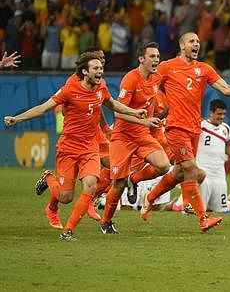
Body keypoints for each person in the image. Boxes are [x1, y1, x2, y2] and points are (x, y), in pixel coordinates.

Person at [3, 52, 146, 240]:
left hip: (89, 148)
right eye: (96, 68)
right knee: (65, 197)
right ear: (85, 72)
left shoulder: (101, 87)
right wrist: (17, 118)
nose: (100, 71)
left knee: (90, 185)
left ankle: (68, 230)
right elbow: (44, 107)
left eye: (101, 68)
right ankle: (48, 179)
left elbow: (112, 105)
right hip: (68, 149)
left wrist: (135, 112)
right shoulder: (70, 89)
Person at [152, 32, 230, 231]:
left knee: (178, 172)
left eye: (198, 42)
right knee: (192, 169)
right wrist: (157, 108)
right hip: (175, 126)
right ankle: (203, 218)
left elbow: (226, 89)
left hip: (194, 129)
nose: (196, 44)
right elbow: (149, 86)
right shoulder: (166, 67)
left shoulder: (204, 69)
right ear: (182, 45)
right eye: (192, 41)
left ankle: (149, 199)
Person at [99, 42, 170, 234]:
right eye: (152, 56)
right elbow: (118, 113)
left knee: (164, 165)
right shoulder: (130, 79)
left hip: (142, 135)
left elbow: (153, 103)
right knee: (118, 184)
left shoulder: (157, 79)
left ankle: (135, 179)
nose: (156, 60)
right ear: (141, 59)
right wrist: (144, 121)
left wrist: (153, 120)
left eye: (157, 56)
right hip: (123, 137)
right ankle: (106, 221)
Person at [195, 99, 230, 212]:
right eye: (219, 114)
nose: (222, 117)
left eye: (224, 114)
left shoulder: (226, 128)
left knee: (220, 210)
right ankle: (175, 205)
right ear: (211, 112)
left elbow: (226, 146)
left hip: (219, 175)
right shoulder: (200, 125)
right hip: (204, 173)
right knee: (201, 209)